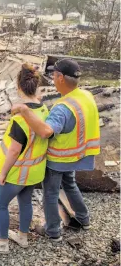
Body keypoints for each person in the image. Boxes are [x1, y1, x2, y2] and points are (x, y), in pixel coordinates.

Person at [11, 58, 100, 241]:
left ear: (60, 77)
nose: (51, 78)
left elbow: (45, 131)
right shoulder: (85, 95)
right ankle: (84, 219)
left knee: (50, 193)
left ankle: (53, 231)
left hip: (59, 157)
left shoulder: (62, 108)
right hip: (77, 154)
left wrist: (25, 111)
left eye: (53, 75)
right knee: (70, 184)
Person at [0, 64, 49, 254]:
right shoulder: (44, 110)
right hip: (35, 170)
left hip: (17, 171)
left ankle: (1, 242)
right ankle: (23, 236)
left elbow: (13, 151)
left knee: (0, 203)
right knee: (25, 202)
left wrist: (2, 173)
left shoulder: (20, 118)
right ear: (36, 87)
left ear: (18, 88)